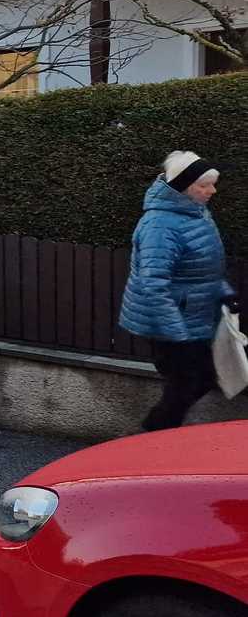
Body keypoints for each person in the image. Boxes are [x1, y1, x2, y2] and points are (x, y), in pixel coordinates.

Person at [120, 151, 238, 432]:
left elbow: (202, 268)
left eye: (212, 184)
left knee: (200, 379)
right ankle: (150, 438)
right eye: (204, 185)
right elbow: (153, 283)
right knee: (185, 385)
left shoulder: (195, 213)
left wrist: (225, 292)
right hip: (171, 324)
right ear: (183, 187)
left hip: (192, 318)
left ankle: (152, 436)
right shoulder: (160, 226)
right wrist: (176, 333)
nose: (212, 191)